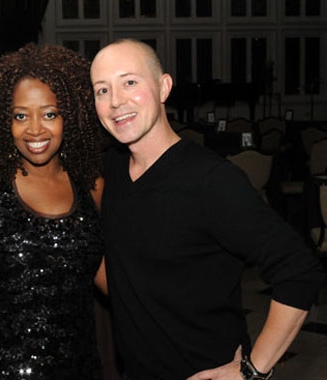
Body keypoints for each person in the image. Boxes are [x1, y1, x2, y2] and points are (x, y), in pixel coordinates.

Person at [90, 39, 325, 380]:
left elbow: (299, 271)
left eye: (130, 82)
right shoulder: (112, 170)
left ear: (163, 87)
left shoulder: (210, 180)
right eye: (101, 90)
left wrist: (252, 370)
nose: (115, 102)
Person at [0, 43, 108, 379]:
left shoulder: (92, 187)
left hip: (78, 365)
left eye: (50, 114)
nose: (36, 129)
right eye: (20, 115)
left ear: (70, 116)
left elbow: (106, 275)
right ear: (3, 121)